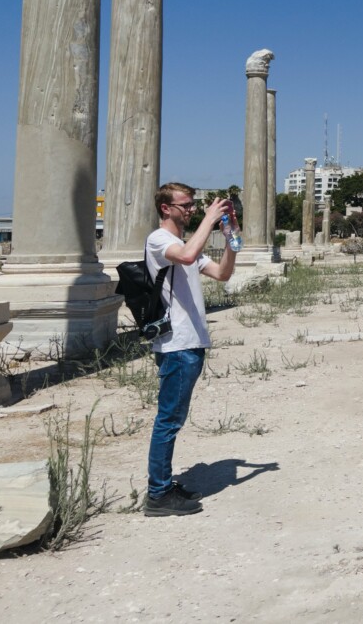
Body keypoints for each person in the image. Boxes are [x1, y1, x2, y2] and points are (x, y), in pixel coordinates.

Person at [143, 183, 238, 517]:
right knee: (168, 420)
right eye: (186, 205)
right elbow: (185, 255)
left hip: (192, 343)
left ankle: (165, 484)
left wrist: (231, 240)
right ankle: (157, 494)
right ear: (166, 208)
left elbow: (223, 274)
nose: (192, 210)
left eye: (195, 205)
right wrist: (210, 219)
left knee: (174, 418)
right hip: (176, 345)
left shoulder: (186, 244)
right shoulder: (160, 241)